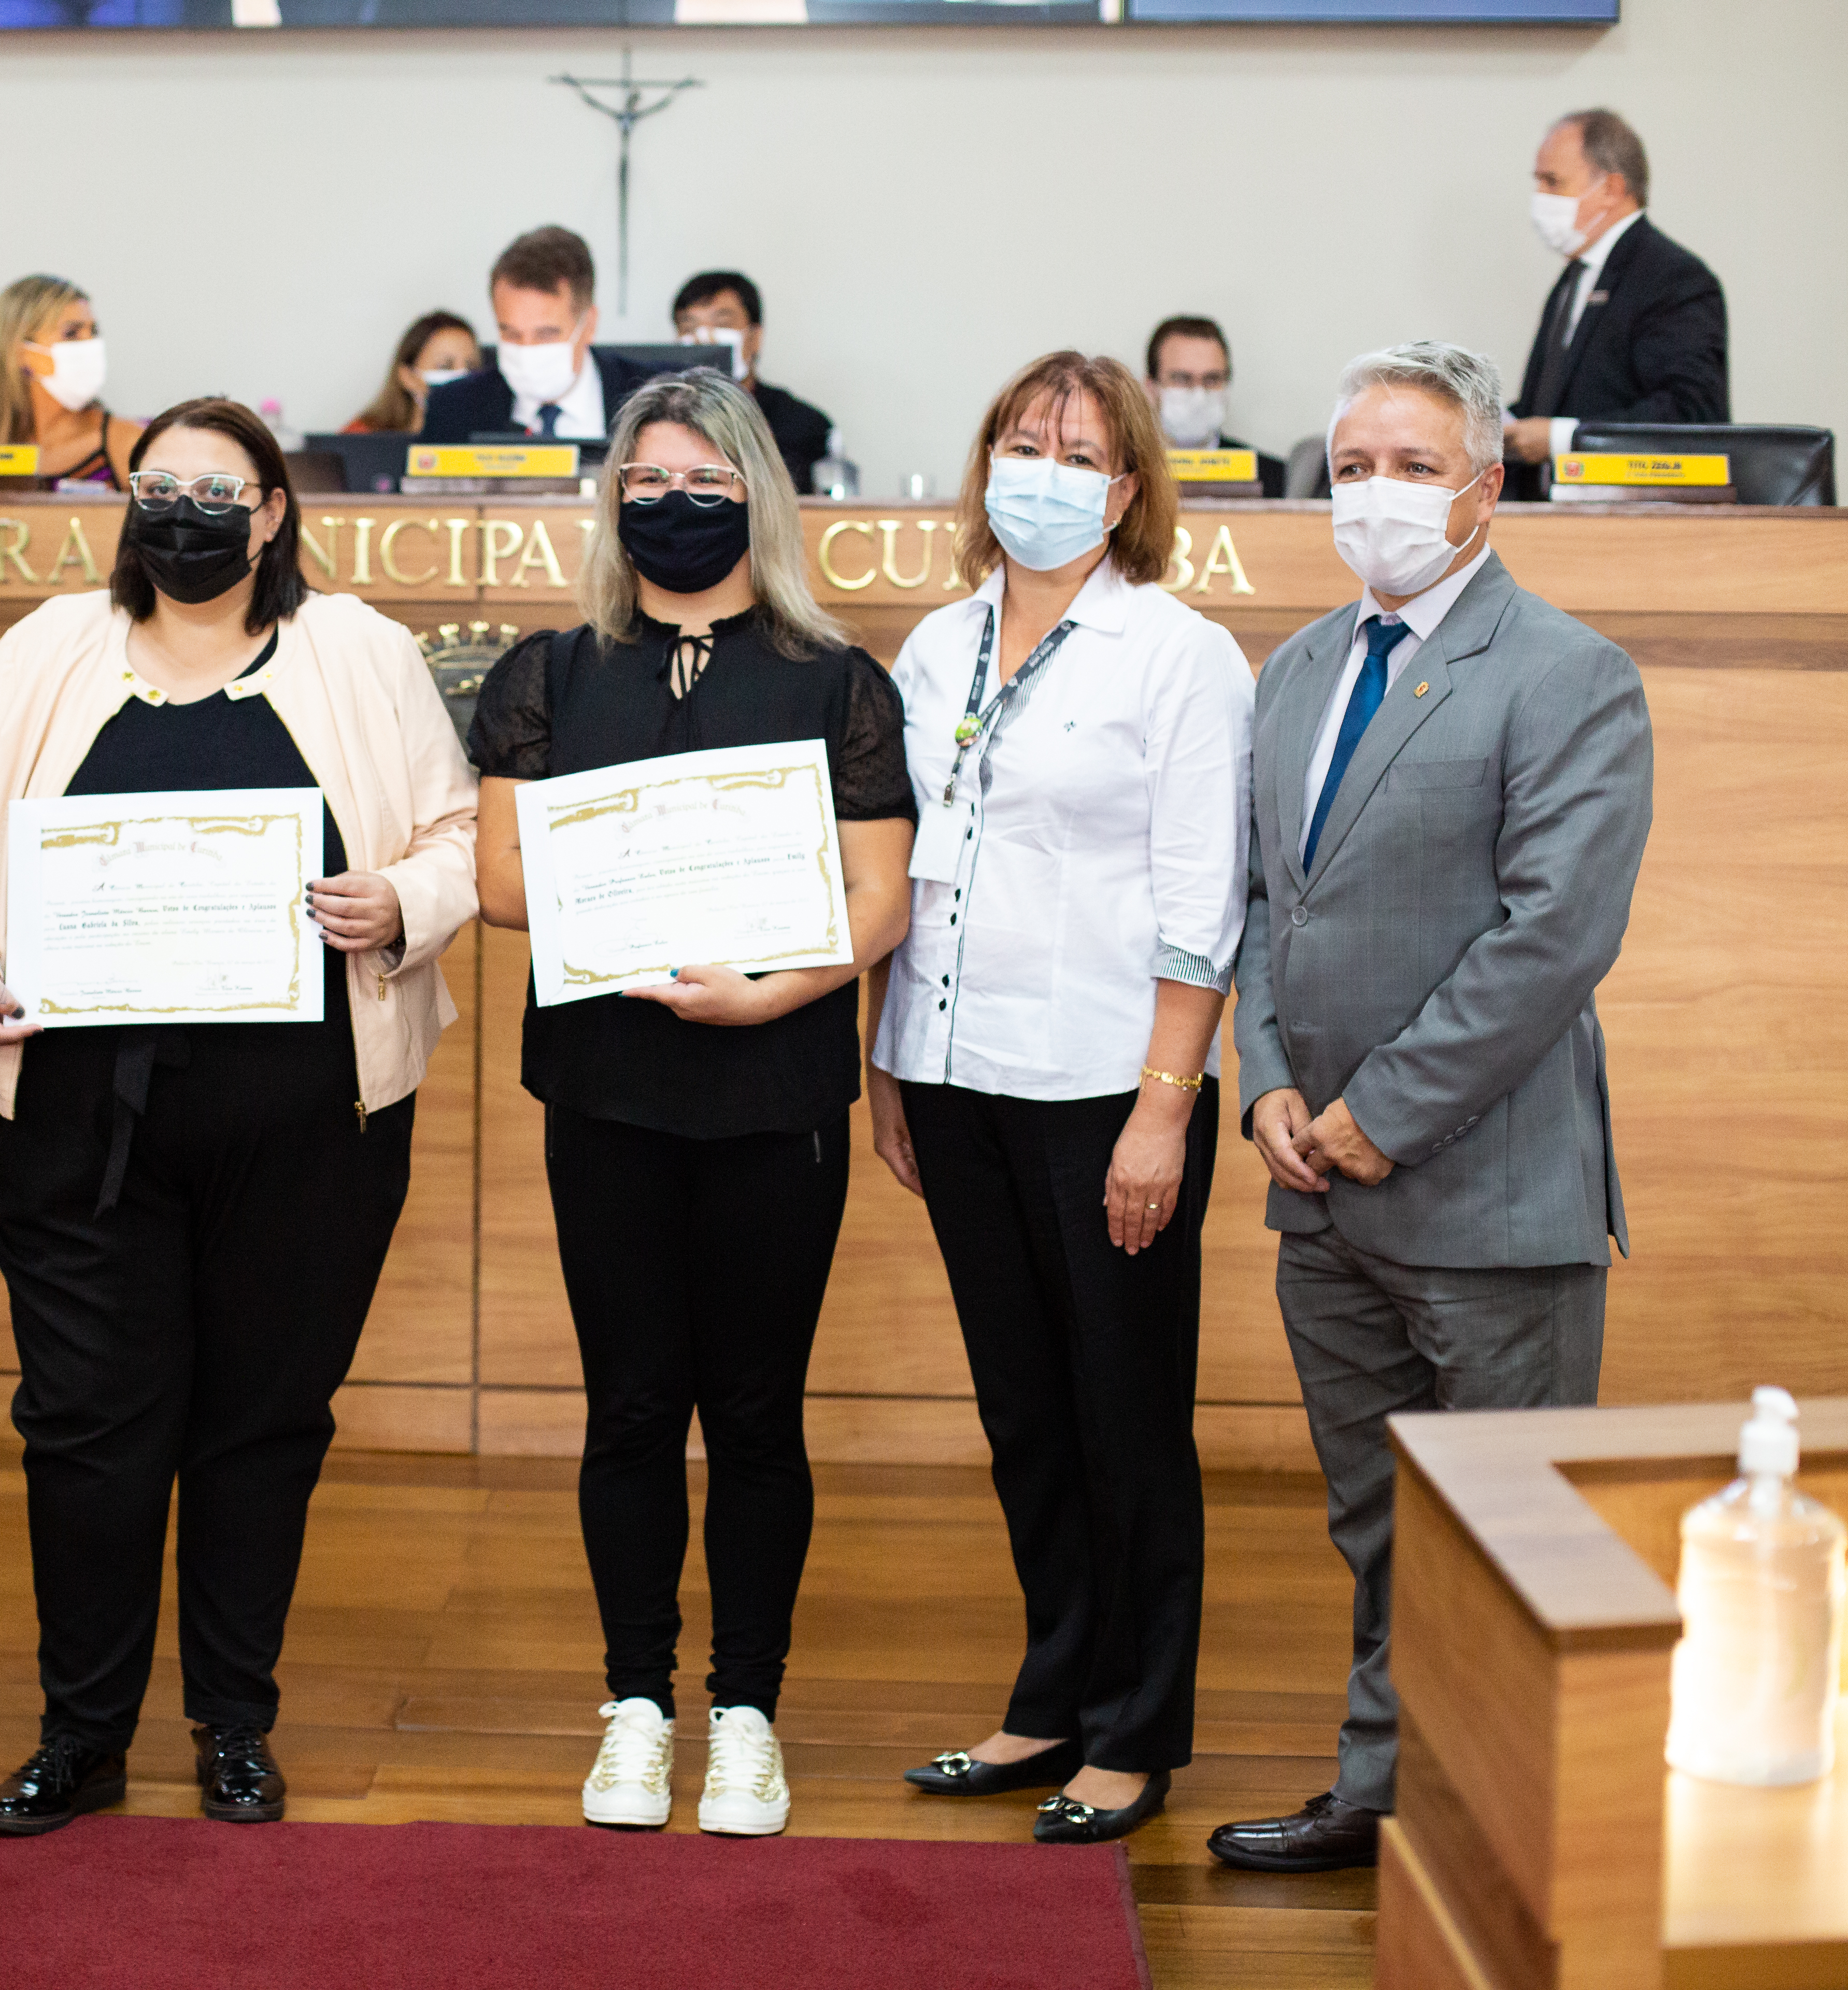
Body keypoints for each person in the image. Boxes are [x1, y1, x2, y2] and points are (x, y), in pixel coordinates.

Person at [0, 397, 478, 1836]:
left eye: (221, 491)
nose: (188, 512)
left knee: (260, 1426)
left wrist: (403, 900)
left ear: (274, 512)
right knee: (89, 1428)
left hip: (311, 1127)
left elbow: (460, 834)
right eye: (161, 487)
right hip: (80, 1125)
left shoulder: (366, 655)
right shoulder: (46, 650)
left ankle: (233, 1724)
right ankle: (82, 1733)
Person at [1209, 342, 1653, 1873]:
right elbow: (1264, 904)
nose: (1377, 494)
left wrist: (1380, 1111)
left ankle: (1515, 1832)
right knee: (1381, 1519)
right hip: (1317, 1189)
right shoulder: (1296, 672)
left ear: (1487, 482)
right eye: (1352, 464)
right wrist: (1266, 1081)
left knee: (1508, 1535)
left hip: (1488, 1188)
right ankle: (1386, 1791)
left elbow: (1553, 937)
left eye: (1412, 465)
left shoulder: (1570, 672)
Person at [470, 369, 915, 1839]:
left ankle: (745, 1713)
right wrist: (628, 896)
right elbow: (502, 881)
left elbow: (875, 902)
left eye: (707, 485)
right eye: (648, 482)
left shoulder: (835, 679)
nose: (675, 506)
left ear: (757, 500)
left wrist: (770, 991)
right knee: (632, 1407)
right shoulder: (552, 672)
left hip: (773, 1085)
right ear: (612, 498)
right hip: (606, 1088)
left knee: (757, 1412)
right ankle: (636, 1704)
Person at [865, 350, 1253, 1848]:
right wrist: (885, 1065)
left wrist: (1166, 1110)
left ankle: (1137, 1729)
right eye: (1021, 440)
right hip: (953, 1076)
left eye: (1077, 450)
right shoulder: (934, 641)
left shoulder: (1177, 654)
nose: (1041, 467)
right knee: (1024, 1410)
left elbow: (1199, 904)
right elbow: (898, 873)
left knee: (1126, 1415)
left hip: (1109, 1086)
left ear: (1130, 487)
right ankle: (1050, 1695)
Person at [1501, 108, 1728, 500]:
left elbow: (1691, 414)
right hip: (1555, 514)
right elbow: (1549, 401)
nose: (1541, 198)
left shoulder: (1673, 277)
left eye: (1553, 182)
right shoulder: (1575, 277)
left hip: (1634, 519)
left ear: (1611, 189)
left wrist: (1562, 437)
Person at [420, 227, 654, 444]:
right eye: (511, 333)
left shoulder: (658, 398)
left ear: (589, 325)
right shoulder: (452, 408)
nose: (526, 350)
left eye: (545, 335)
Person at [0, 274, 146, 489]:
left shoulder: (126, 441)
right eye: (72, 334)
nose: (91, 345)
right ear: (20, 351)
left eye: (94, 332)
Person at [671, 270, 836, 495]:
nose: (705, 339)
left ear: (755, 337)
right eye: (690, 328)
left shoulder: (804, 425)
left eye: (721, 325)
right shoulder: (662, 421)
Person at [1143, 315, 1286, 497]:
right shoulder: (1123, 472)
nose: (1199, 396)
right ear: (1151, 387)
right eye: (1182, 379)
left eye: (1212, 379)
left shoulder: (1271, 478)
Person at [345, 310, 482, 434]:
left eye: (471, 367)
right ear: (408, 377)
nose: (463, 376)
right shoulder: (362, 436)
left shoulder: (491, 441)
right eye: (445, 366)